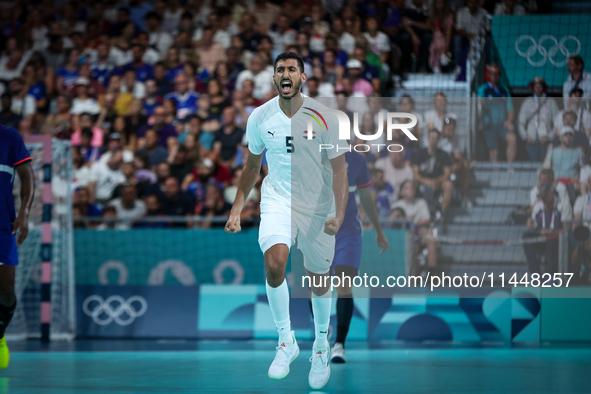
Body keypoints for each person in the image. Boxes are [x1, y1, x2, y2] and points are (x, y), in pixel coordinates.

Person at [225, 52, 348, 390]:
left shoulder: (325, 117)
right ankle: (286, 341)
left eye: (292, 69)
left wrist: (339, 212)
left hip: (318, 204)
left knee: (318, 277)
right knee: (275, 263)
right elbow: (252, 167)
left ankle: (321, 345)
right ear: (275, 77)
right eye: (280, 69)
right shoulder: (260, 116)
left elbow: (339, 171)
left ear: (303, 77)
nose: (285, 73)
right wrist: (237, 208)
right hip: (278, 198)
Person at [311, 151, 389, 364]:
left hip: (348, 232)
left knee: (343, 284)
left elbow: (365, 196)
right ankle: (322, 329)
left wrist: (379, 231)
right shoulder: (312, 154)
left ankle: (339, 345)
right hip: (319, 231)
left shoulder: (357, 160)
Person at [0, 124, 34, 369]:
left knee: (6, 292)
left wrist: (24, 212)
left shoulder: (9, 137)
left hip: (2, 225)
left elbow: (26, 175)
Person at [524, 183, 569, 275]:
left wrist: (550, 232)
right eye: (542, 198)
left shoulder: (563, 205)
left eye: (545, 197)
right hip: (542, 238)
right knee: (526, 238)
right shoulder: (538, 206)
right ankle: (536, 275)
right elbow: (534, 228)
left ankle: (551, 276)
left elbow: (567, 230)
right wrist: (530, 226)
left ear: (552, 194)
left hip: (557, 240)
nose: (544, 201)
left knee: (551, 240)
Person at [478, 64, 516, 164]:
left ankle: (509, 168)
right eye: (491, 73)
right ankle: (495, 174)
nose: (494, 76)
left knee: (512, 139)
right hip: (489, 124)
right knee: (494, 152)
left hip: (502, 124)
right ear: (488, 75)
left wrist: (509, 121)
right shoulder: (483, 89)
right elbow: (479, 105)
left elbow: (510, 108)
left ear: (499, 75)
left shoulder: (504, 90)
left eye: (496, 73)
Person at [412, 129, 453, 216]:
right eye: (432, 138)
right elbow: (415, 173)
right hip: (422, 182)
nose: (434, 140)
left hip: (438, 183)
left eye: (436, 138)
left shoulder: (443, 155)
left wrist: (436, 181)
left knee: (448, 184)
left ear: (439, 140)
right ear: (428, 139)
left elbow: (447, 173)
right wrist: (426, 181)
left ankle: (443, 212)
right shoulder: (420, 153)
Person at [518, 77, 559, 162]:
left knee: (544, 164)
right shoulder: (527, 102)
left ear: (543, 87)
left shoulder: (551, 102)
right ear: (533, 87)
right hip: (531, 140)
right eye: (535, 86)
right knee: (531, 164)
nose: (538, 88)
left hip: (546, 140)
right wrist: (526, 136)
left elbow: (558, 123)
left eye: (540, 86)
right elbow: (520, 122)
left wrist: (549, 136)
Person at [543, 126, 584, 204]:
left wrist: (579, 178)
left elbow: (584, 169)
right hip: (556, 183)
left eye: (570, 135)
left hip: (572, 184)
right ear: (560, 138)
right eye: (566, 135)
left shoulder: (579, 152)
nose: (568, 138)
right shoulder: (552, 152)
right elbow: (545, 169)